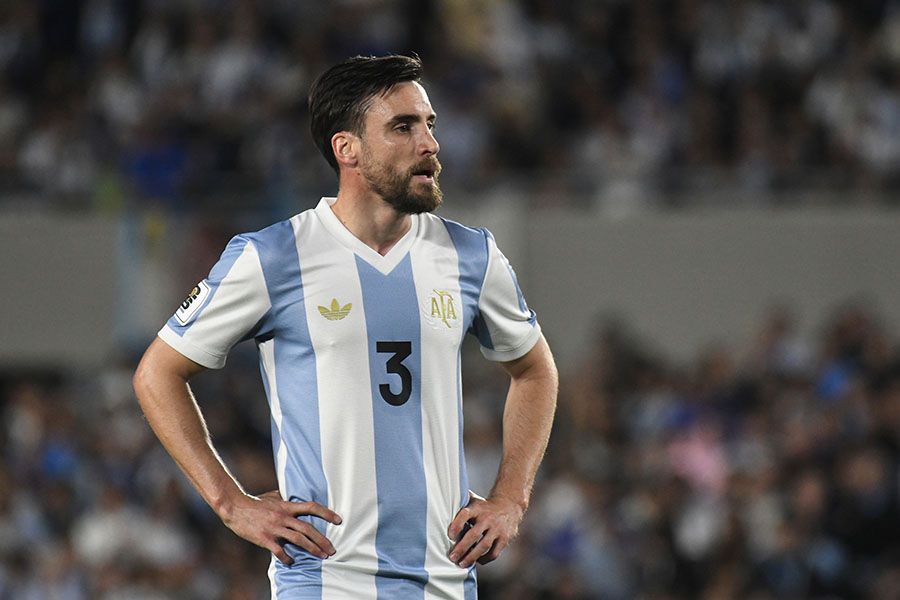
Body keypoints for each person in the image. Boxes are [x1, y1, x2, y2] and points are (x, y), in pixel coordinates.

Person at [133, 54, 558, 599]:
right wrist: (231, 503)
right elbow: (157, 373)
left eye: (429, 124)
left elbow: (535, 370)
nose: (429, 144)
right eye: (403, 127)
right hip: (324, 578)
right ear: (346, 148)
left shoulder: (471, 255)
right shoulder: (274, 256)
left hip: (445, 580)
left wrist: (511, 499)